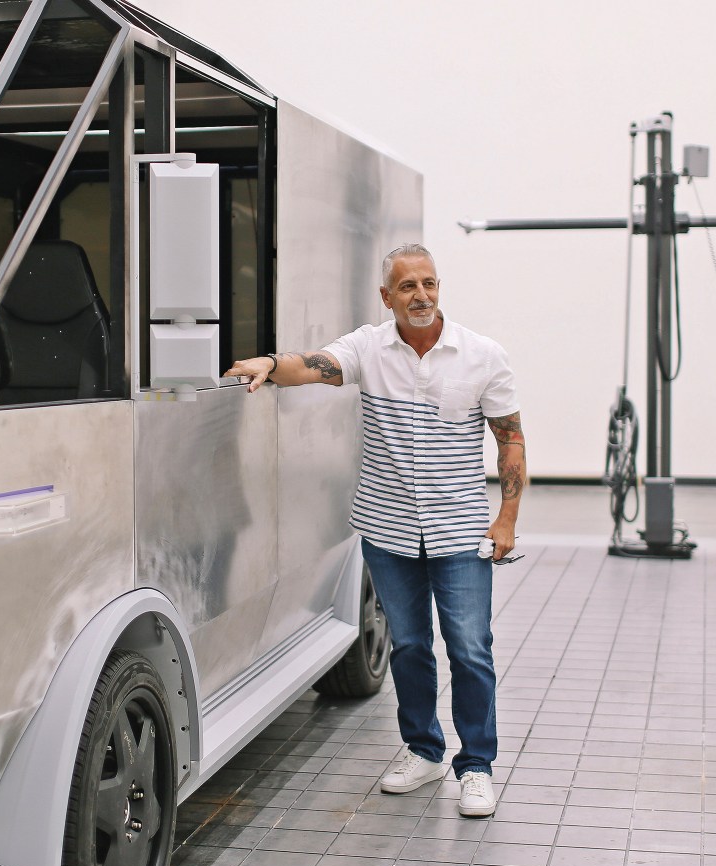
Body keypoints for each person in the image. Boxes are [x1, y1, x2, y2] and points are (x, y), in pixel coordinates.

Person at [224, 243, 525, 817]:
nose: (422, 296)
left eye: (430, 284)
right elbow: (313, 365)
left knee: (469, 647)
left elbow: (510, 436)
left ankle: (477, 765)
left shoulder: (483, 356)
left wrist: (506, 519)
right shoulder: (369, 348)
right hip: (388, 530)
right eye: (408, 286)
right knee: (409, 646)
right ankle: (423, 750)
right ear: (387, 297)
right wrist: (268, 362)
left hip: (460, 530)